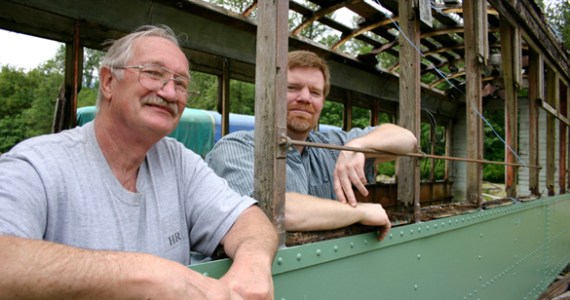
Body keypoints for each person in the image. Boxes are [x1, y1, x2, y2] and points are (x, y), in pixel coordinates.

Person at [0, 25, 277, 300]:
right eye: (153, 73)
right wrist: (150, 274)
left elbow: (247, 219)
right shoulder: (35, 164)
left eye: (180, 83)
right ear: (108, 82)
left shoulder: (177, 161)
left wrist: (253, 263)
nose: (170, 93)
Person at [206, 50, 417, 241]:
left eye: (315, 92)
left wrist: (359, 145)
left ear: (322, 102)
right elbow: (278, 209)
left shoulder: (332, 145)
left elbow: (407, 140)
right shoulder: (235, 148)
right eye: (292, 88)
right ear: (270, 92)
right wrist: (360, 212)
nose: (305, 98)